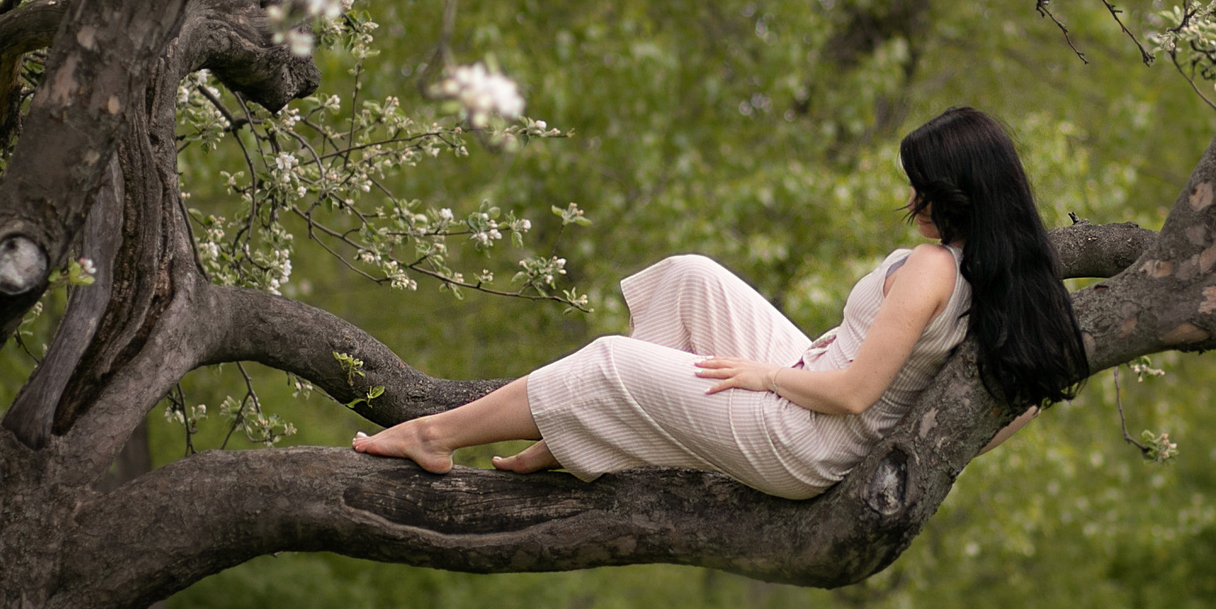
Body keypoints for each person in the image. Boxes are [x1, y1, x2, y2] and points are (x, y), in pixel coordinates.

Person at [352, 106, 1091, 496]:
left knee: (609, 360)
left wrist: (767, 378)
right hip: (812, 382)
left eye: (923, 187)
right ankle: (587, 433)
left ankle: (436, 435)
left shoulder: (934, 267)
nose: (912, 200)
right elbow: (1019, 408)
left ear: (961, 194)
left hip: (808, 435)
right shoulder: (1001, 277)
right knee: (691, 277)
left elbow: (854, 393)